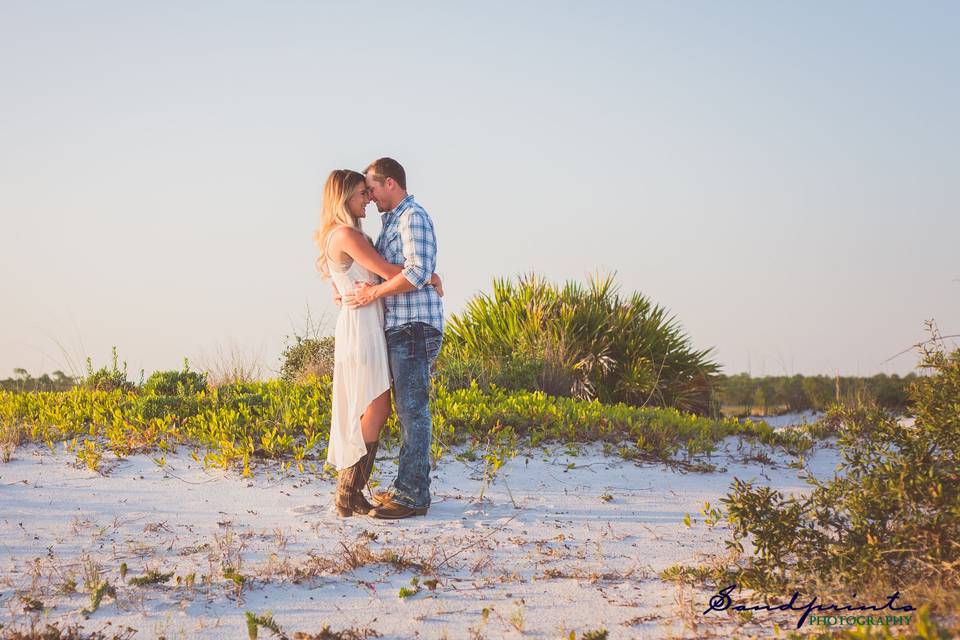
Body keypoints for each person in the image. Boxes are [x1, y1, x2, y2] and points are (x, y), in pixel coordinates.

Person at [314, 169, 442, 517]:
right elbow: (388, 271)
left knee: (375, 405)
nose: (367, 200)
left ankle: (351, 492)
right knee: (375, 405)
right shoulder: (346, 234)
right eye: (360, 194)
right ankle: (348, 491)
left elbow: (360, 275)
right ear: (344, 198)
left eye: (368, 192)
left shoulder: (349, 234)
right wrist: (429, 276)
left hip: (369, 321)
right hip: (362, 324)